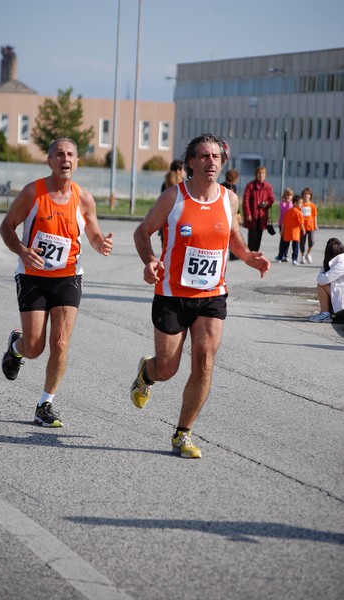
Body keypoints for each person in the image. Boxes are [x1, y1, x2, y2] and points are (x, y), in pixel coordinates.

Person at [130, 134, 270, 459]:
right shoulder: (172, 198)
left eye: (216, 157)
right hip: (171, 294)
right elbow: (142, 231)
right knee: (167, 368)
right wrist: (150, 260)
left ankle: (183, 433)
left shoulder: (228, 199)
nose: (211, 162)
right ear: (191, 162)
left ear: (223, 163)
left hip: (212, 294)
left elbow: (232, 235)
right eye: (204, 156)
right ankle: (146, 374)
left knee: (205, 360)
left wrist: (248, 256)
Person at [0, 138, 113, 427]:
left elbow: (94, 234)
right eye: (60, 154)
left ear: (77, 161)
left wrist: (101, 245)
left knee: (60, 342)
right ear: (49, 161)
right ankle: (17, 346)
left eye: (71, 154)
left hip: (68, 277)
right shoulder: (33, 193)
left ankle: (44, 403)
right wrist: (22, 251)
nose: (66, 159)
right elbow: (6, 227)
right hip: (32, 277)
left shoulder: (83, 198)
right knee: (35, 347)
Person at [308, 238, 344, 323]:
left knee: (321, 285)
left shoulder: (341, 262)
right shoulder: (340, 260)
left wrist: (324, 268)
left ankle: (325, 315)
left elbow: (323, 280)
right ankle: (327, 313)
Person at [242, 166, 275, 251]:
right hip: (252, 214)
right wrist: (248, 213)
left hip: (262, 215)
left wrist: (266, 203)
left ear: (265, 175)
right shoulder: (250, 186)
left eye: (263, 174)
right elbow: (245, 200)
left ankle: (256, 251)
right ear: (256, 175)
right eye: (259, 173)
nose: (261, 176)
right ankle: (251, 252)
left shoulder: (268, 187)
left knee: (259, 234)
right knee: (252, 234)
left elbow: (271, 199)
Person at [158, 160, 186, 244]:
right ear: (178, 170)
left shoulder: (165, 184)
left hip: (165, 221)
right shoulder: (184, 185)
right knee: (184, 243)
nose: (185, 172)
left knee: (166, 246)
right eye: (183, 169)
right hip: (182, 220)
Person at [275, 195, 305, 265]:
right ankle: (294, 259)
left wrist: (282, 230)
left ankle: (280, 257)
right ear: (294, 203)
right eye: (300, 203)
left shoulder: (288, 211)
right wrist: (303, 230)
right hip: (295, 233)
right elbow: (301, 223)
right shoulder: (298, 212)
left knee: (284, 246)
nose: (301, 204)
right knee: (295, 247)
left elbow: (284, 222)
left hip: (287, 232)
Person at [221, 169, 240, 260]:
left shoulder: (234, 187)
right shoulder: (221, 186)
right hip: (223, 212)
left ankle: (233, 254)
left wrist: (238, 212)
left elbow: (235, 201)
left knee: (232, 233)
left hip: (232, 212)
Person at [299, 187, 318, 264]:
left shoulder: (312, 205)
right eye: (305, 194)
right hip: (302, 226)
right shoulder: (301, 204)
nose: (306, 196)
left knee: (311, 241)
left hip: (311, 226)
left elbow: (315, 215)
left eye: (308, 194)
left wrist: (316, 224)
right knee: (302, 242)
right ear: (303, 195)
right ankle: (302, 256)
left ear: (310, 196)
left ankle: (308, 254)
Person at [275, 187, 294, 262]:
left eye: (290, 195)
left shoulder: (292, 204)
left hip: (289, 224)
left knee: (287, 240)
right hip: (282, 224)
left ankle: (285, 254)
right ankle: (281, 254)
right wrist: (287, 203)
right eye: (287, 195)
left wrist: (290, 203)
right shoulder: (282, 203)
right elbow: (284, 212)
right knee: (282, 239)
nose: (288, 197)